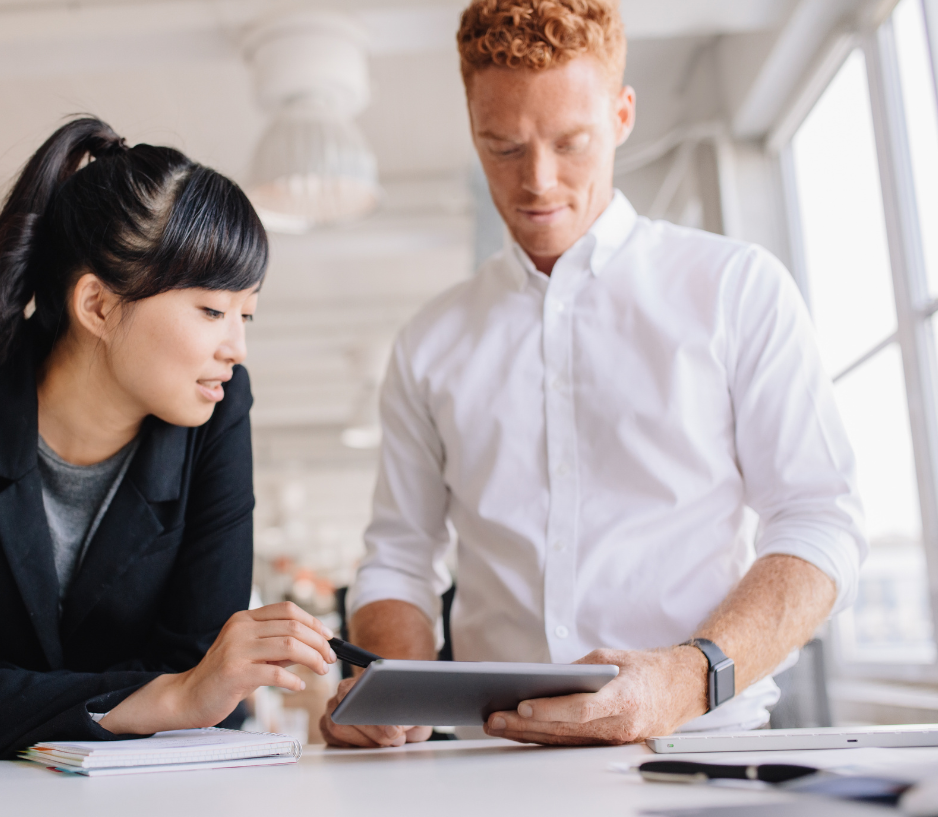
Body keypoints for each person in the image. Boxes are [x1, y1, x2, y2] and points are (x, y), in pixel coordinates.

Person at [320, 0, 865, 749]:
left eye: (571, 142)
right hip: (491, 758)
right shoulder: (430, 341)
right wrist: (390, 682)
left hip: (699, 741)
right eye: (502, 147)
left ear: (622, 114)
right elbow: (399, 558)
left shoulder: (737, 288)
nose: (538, 182)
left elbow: (818, 518)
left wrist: (685, 675)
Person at [0, 117, 337, 759]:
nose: (237, 348)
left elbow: (213, 698)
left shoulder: (219, 408)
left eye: (245, 313)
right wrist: (169, 699)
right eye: (211, 310)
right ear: (96, 305)